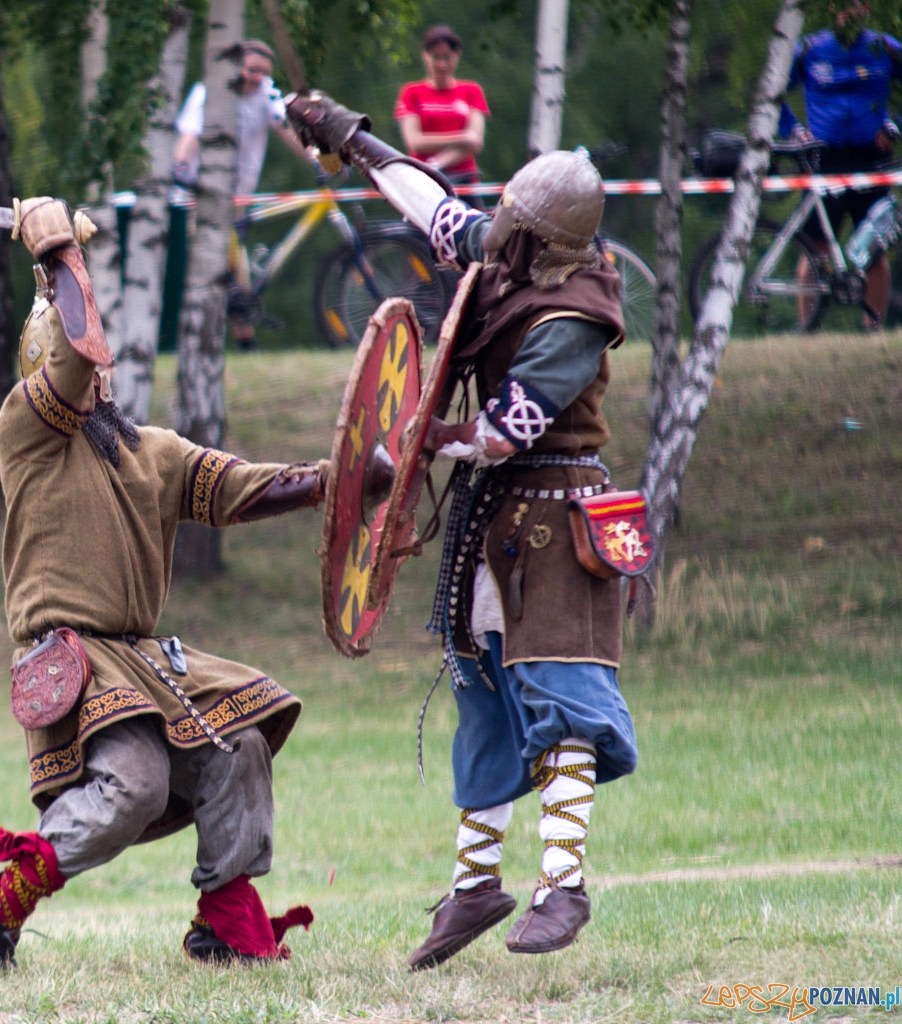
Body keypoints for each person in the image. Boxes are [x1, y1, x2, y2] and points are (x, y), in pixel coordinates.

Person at [0, 197, 392, 973]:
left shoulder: (150, 450)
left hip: (144, 661)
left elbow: (246, 488)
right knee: (135, 785)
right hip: (74, 657)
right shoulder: (23, 431)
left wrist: (345, 480)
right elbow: (80, 352)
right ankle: (2, 896)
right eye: (79, 360)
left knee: (239, 744)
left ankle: (224, 923)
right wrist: (57, 251)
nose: (98, 370)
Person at [283, 93, 639, 969]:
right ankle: (476, 885)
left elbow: (506, 430)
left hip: (560, 518)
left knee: (559, 699)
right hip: (499, 518)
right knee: (481, 696)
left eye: (513, 227)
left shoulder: (575, 314)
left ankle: (564, 885)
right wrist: (354, 140)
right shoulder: (516, 253)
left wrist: (426, 438)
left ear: (545, 242)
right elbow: (434, 208)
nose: (495, 236)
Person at [170, 40, 314, 350]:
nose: (257, 77)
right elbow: (190, 136)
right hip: (199, 199)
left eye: (263, 72)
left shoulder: (267, 94)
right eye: (251, 69)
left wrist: (318, 159)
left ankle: (246, 345)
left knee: (237, 277)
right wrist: (180, 169)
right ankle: (196, 343)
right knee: (209, 275)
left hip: (234, 201)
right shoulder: (210, 91)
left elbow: (288, 129)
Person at [779, 0, 902, 330]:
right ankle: (808, 330)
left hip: (871, 159)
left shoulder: (884, 47)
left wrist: (896, 126)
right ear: (832, 8)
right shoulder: (810, 49)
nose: (850, 11)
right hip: (824, 159)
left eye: (857, 4)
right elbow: (772, 91)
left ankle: (873, 330)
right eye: (843, 4)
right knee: (814, 248)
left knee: (874, 248)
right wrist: (794, 131)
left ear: (867, 9)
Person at [394, 26, 489, 187]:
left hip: (464, 180)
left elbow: (475, 142)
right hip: (422, 180)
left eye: (447, 57)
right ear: (425, 56)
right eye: (435, 57)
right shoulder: (411, 92)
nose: (442, 65)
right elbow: (415, 143)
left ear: (457, 55)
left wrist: (437, 163)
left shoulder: (472, 91)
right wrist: (462, 138)